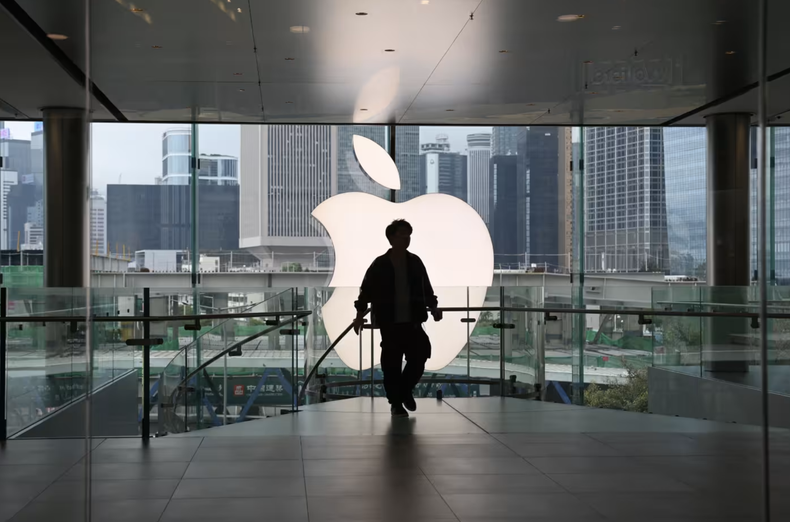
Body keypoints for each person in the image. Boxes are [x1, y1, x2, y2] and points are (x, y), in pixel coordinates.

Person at [352, 219, 442, 417]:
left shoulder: (415, 262)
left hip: (413, 321)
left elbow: (426, 288)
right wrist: (359, 316)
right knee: (391, 365)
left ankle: (402, 392)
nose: (406, 238)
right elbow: (365, 292)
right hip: (389, 323)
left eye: (408, 235)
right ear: (391, 238)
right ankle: (396, 402)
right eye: (401, 234)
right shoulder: (380, 264)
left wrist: (434, 307)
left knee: (419, 356)